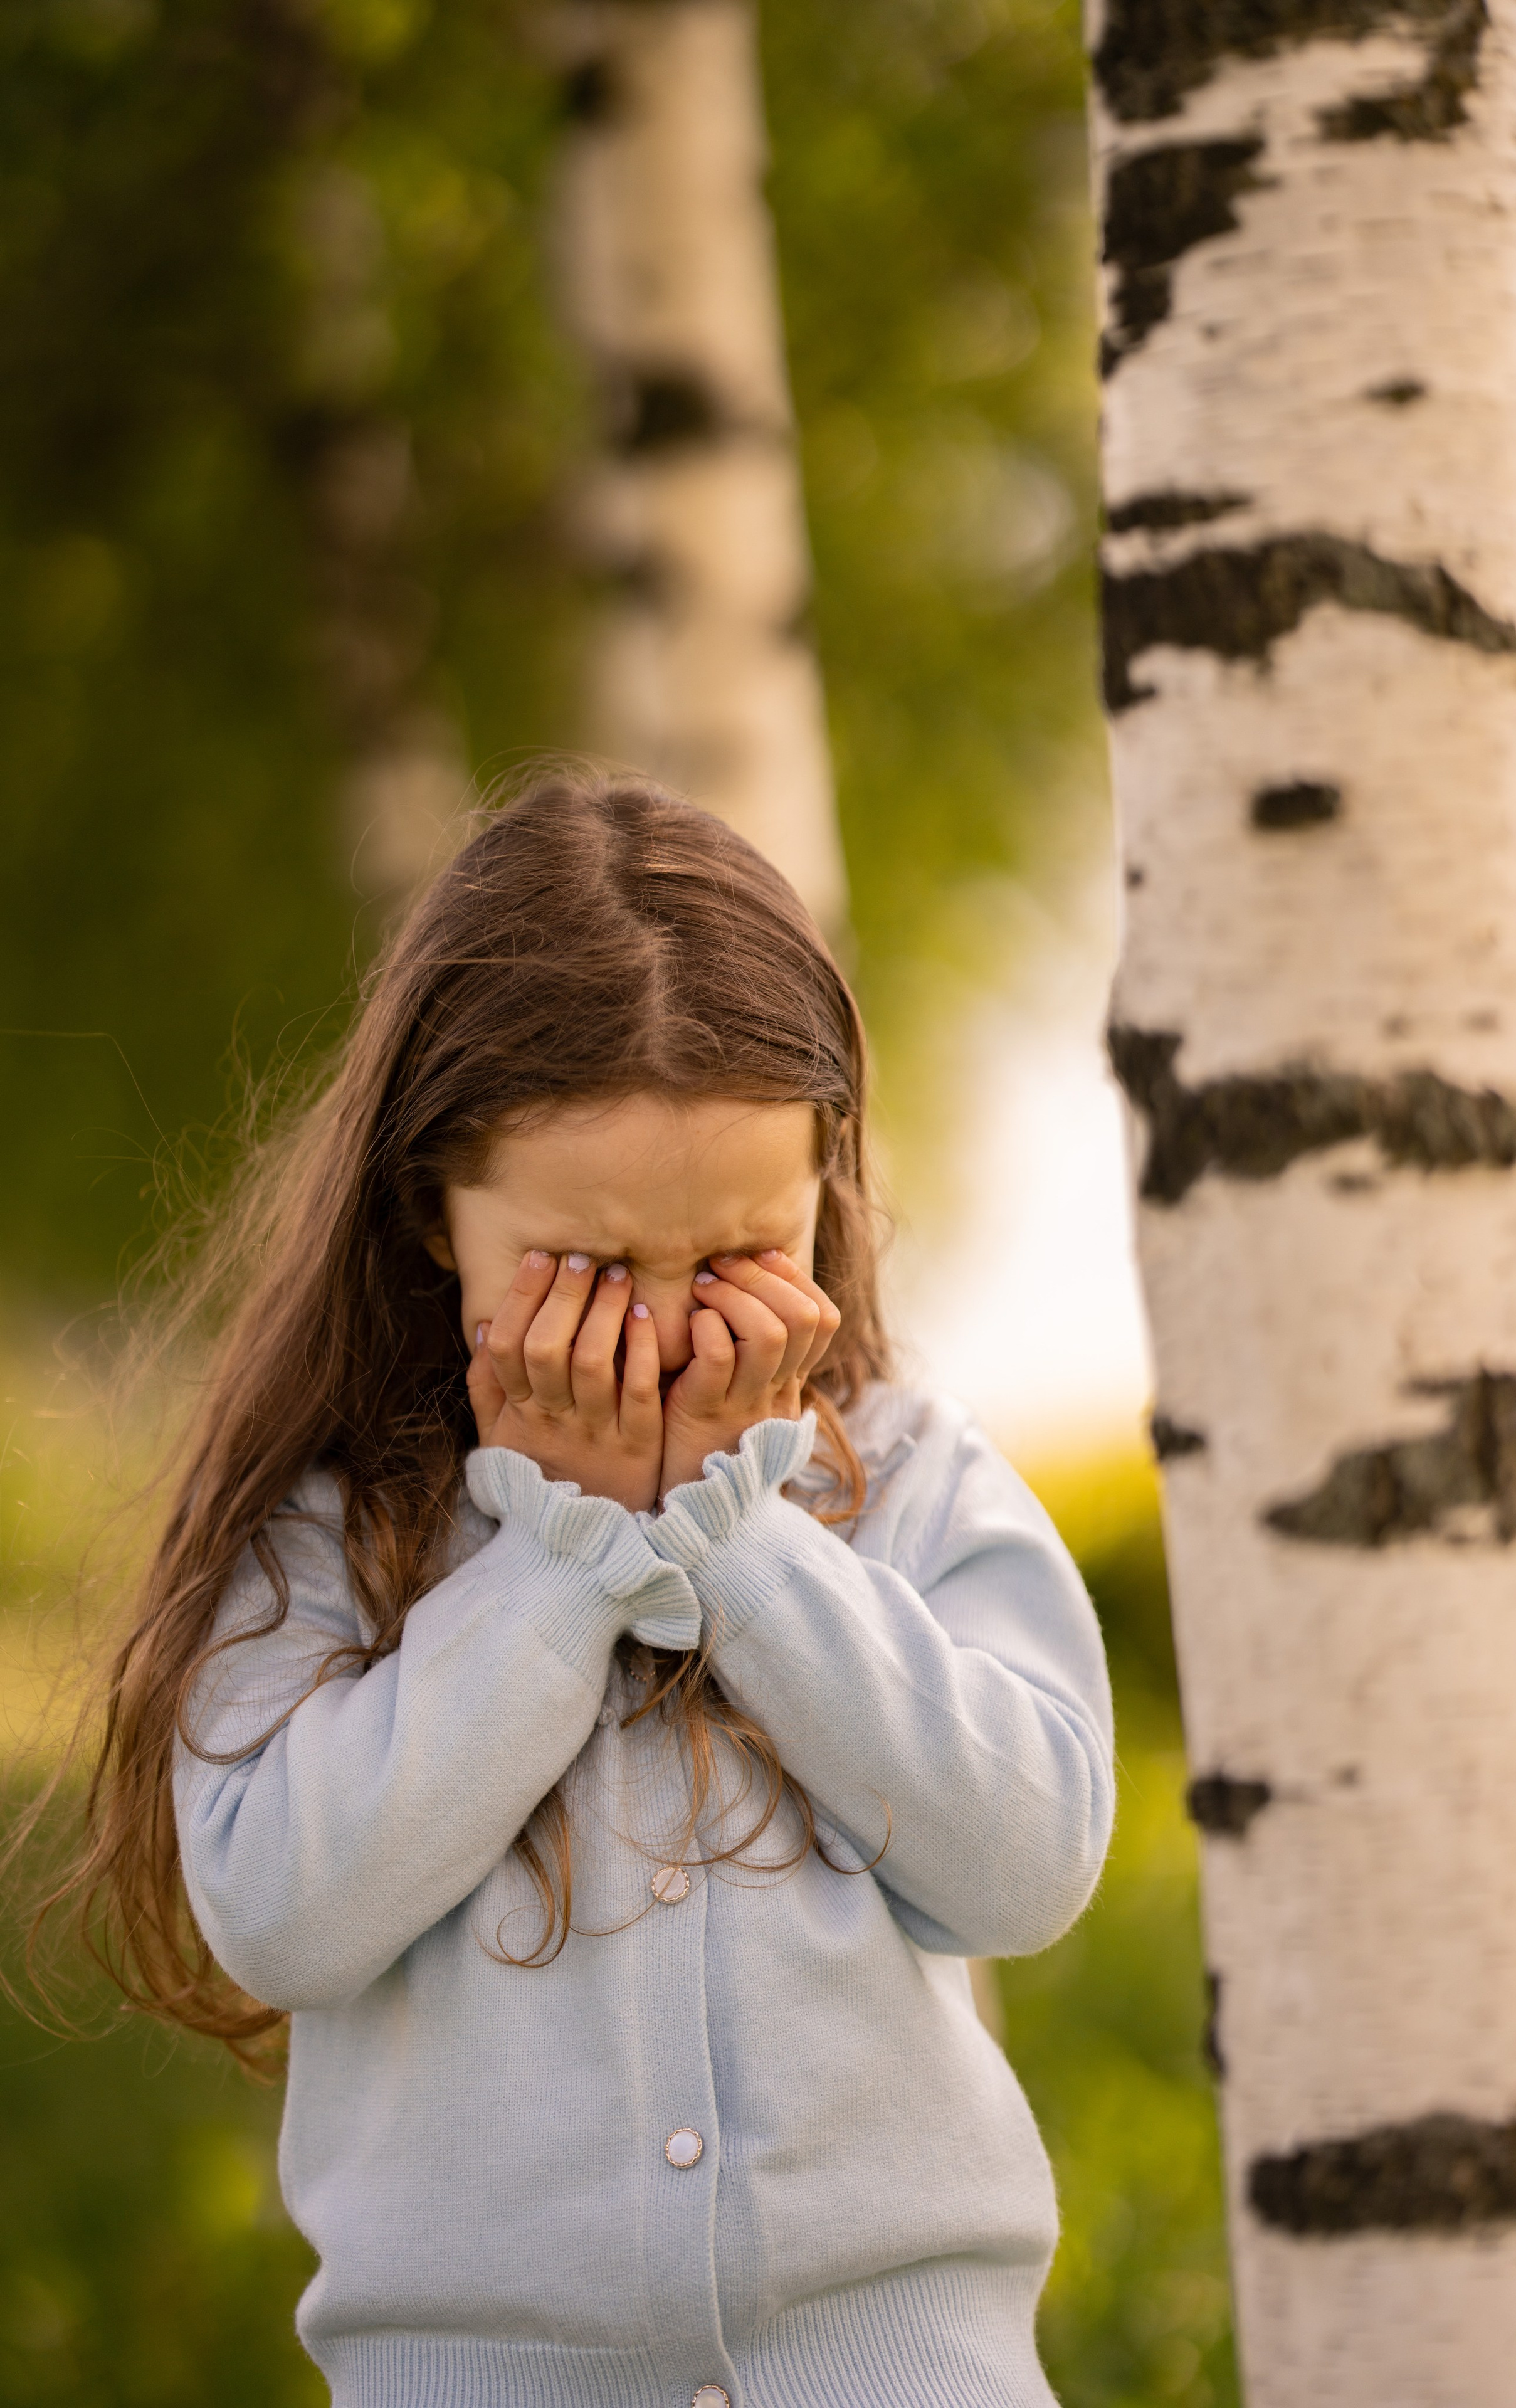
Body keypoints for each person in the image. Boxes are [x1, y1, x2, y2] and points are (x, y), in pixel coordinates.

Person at [75, 767, 1115, 2408]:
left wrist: (737, 1535)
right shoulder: (326, 1538)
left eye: (728, 1258)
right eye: (584, 1269)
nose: (660, 1328)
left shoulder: (906, 1482)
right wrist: (561, 1553)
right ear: (432, 1211)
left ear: (820, 1187)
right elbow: (283, 1911)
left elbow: (1030, 1862)